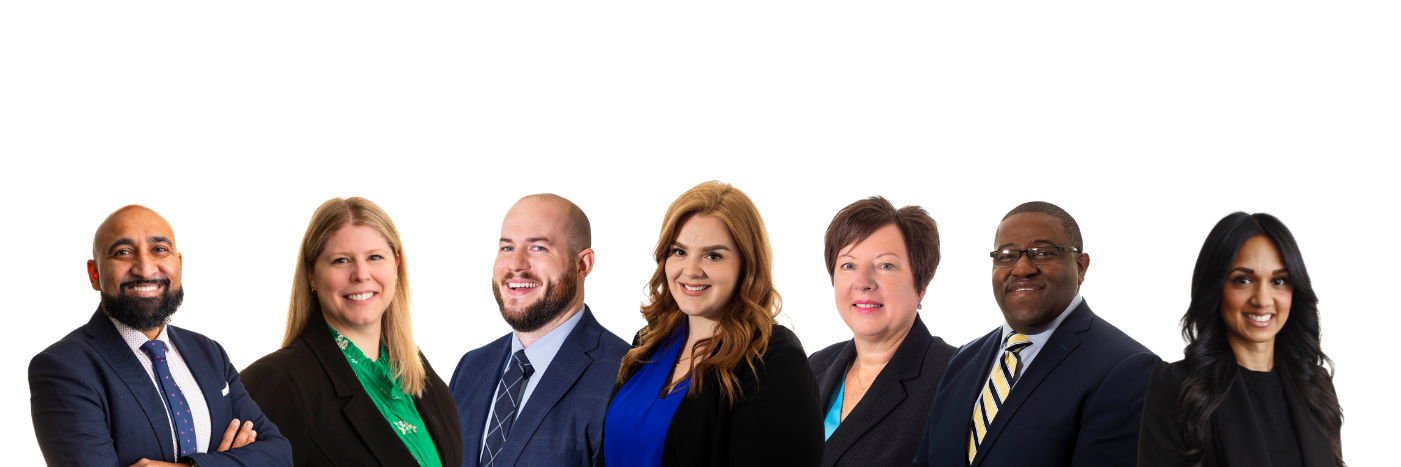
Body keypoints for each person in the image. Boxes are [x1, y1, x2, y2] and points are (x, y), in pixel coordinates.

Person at [29, 205, 292, 467]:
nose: (145, 269)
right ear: (94, 274)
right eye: (123, 252)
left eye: (159, 250)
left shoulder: (208, 352)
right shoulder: (64, 367)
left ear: (178, 264)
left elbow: (279, 454)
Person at [913, 201, 1160, 467]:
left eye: (1043, 253)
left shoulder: (1130, 370)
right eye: (1007, 255)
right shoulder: (962, 361)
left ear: (1080, 266)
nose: (1022, 269)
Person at [598, 181, 824, 467]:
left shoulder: (772, 360)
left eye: (713, 255)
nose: (691, 270)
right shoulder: (648, 342)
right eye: (679, 251)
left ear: (747, 265)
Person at [241, 197, 462, 467]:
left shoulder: (418, 373)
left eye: (374, 257)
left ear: (396, 266)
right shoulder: (277, 383)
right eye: (341, 260)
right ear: (311, 274)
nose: (361, 274)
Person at [1137, 213, 1344, 467]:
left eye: (1279, 280)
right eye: (1243, 280)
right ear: (1215, 287)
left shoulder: (1316, 384)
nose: (1263, 299)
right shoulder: (1176, 386)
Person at [450, 194, 629, 467]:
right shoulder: (470, 368)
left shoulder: (623, 373)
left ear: (583, 265)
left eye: (538, 248)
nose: (516, 264)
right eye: (507, 248)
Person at [808, 197, 957, 467]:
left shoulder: (955, 375)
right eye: (848, 265)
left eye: (885, 265)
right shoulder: (815, 365)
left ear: (921, 284)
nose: (863, 282)